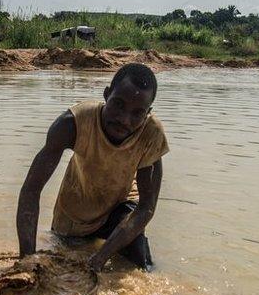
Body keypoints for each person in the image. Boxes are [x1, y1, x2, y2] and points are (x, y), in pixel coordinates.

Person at [16, 63, 169, 272]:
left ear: (148, 113)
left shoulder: (151, 134)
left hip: (120, 203)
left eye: (137, 113)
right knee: (64, 264)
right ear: (106, 95)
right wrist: (26, 260)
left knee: (138, 265)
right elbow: (31, 190)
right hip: (74, 213)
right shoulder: (73, 123)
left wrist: (100, 258)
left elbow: (146, 208)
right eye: (118, 105)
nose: (124, 120)